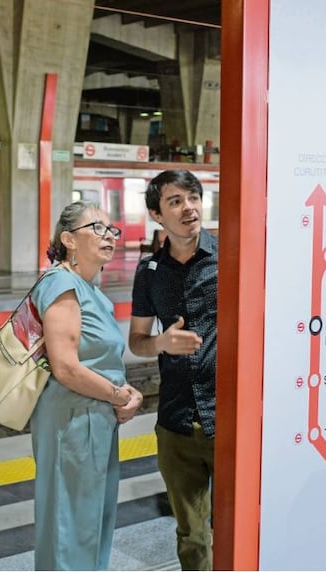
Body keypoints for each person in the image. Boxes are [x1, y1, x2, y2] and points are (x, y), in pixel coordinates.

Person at [31, 201, 144, 570]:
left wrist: (125, 392)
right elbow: (65, 367)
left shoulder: (91, 290)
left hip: (94, 417)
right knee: (70, 522)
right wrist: (118, 395)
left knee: (92, 518)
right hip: (72, 418)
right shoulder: (62, 283)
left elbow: (102, 360)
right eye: (97, 228)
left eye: (111, 230)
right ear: (68, 239)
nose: (109, 236)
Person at [129, 169, 217, 571]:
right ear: (156, 215)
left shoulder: (232, 255)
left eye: (194, 197)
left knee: (243, 525)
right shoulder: (148, 273)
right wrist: (161, 344)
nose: (189, 208)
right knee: (192, 536)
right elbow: (137, 341)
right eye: (176, 201)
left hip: (232, 418)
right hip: (177, 421)